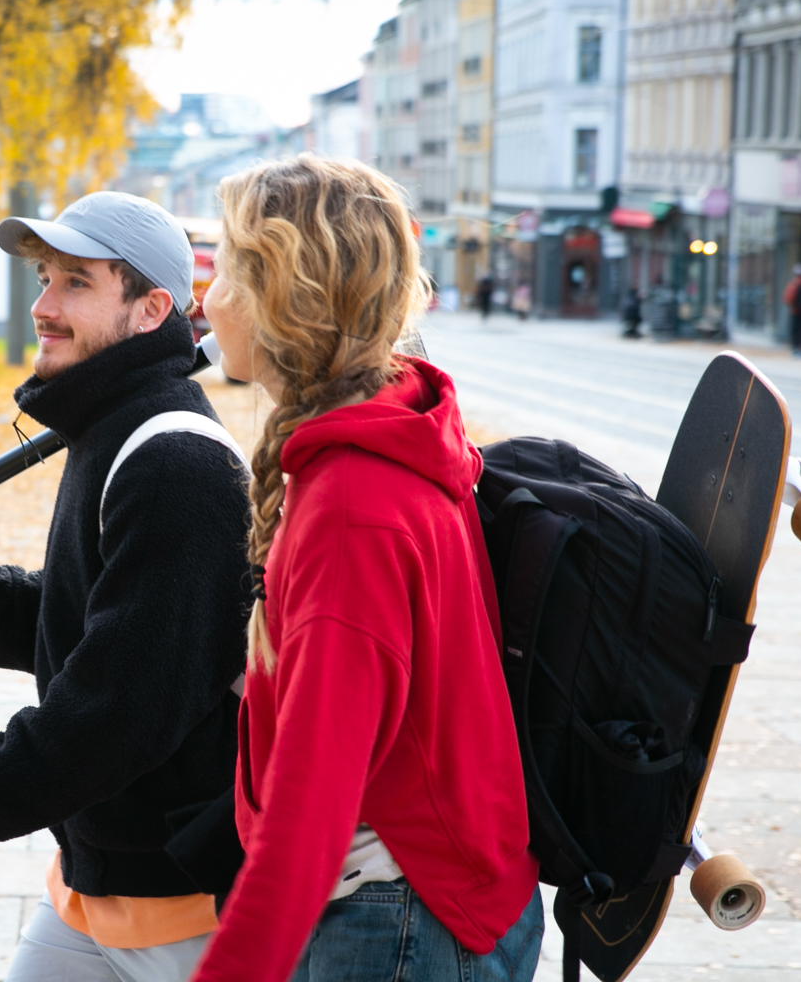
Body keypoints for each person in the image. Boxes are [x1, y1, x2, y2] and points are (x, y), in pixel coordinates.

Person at [0, 192, 252, 982]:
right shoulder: (114, 427)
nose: (43, 306)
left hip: (181, 907)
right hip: (92, 885)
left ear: (150, 309)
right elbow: (84, 620)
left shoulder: (176, 463)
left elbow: (116, 707)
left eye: (75, 282)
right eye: (43, 278)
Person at [192, 155, 543, 982]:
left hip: (396, 930)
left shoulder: (351, 506)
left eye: (228, 271)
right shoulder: (399, 427)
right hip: (442, 906)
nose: (207, 299)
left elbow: (310, 814)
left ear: (283, 293)